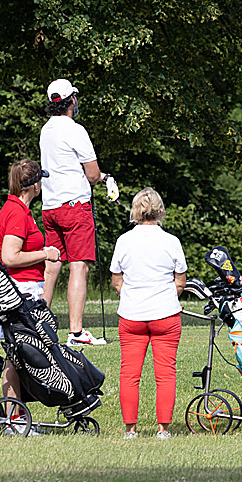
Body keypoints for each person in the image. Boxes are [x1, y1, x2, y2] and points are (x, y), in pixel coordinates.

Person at [39, 78, 118, 347]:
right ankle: (76, 332)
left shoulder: (46, 130)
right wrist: (107, 178)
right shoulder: (75, 130)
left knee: (51, 266)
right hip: (74, 207)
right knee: (78, 267)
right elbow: (93, 174)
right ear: (71, 100)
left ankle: (38, 325)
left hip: (50, 208)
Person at [109, 187, 187, 440]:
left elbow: (116, 280)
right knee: (165, 374)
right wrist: (166, 299)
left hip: (131, 316)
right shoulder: (171, 241)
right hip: (166, 315)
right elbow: (180, 282)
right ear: (160, 211)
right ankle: (163, 429)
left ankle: (130, 429)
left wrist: (131, 297)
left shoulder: (124, 241)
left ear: (135, 211)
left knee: (129, 374)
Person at [0, 159, 61, 432]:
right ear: (33, 185)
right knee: (18, 354)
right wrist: (45, 253)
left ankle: (16, 416)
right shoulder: (18, 214)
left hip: (22, 289)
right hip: (20, 291)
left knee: (16, 354)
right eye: (40, 180)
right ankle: (14, 418)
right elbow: (10, 256)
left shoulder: (17, 209)